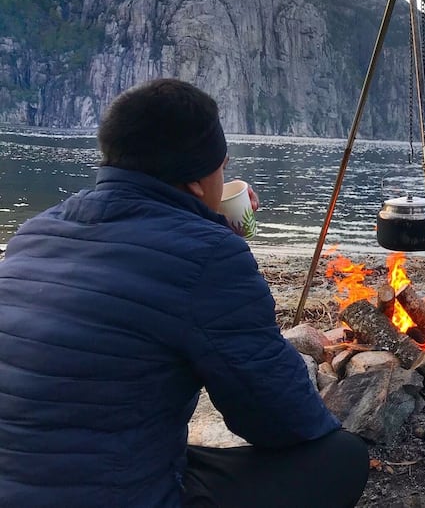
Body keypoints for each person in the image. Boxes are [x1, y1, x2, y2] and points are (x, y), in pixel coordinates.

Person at [0, 78, 369, 507]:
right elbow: (281, 419)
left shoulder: (35, 231)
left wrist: (206, 231)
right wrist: (219, 244)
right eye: (223, 167)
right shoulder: (210, 256)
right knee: (340, 456)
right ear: (198, 181)